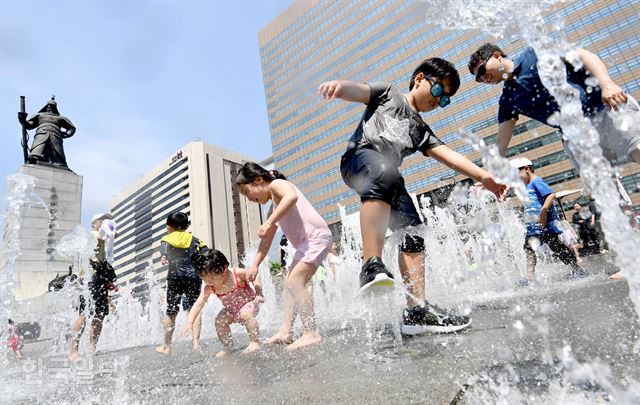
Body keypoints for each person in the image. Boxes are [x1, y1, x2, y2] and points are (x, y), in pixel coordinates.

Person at [318, 57, 507, 335]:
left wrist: (483, 177)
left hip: (388, 178)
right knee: (384, 170)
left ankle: (417, 311)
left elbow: (449, 157)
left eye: (445, 100)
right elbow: (358, 90)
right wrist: (339, 87)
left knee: (414, 231)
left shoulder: (421, 130)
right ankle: (371, 264)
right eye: (438, 91)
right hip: (358, 159)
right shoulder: (388, 94)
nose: (438, 101)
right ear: (419, 79)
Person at [468, 43, 640, 164]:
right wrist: (488, 176)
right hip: (576, 137)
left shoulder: (534, 52)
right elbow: (501, 143)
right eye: (479, 78)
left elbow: (583, 55)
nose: (484, 78)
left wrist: (607, 85)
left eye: (482, 70)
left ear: (497, 56)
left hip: (605, 110)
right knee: (607, 198)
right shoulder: (508, 100)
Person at [235, 162, 333, 350]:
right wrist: (255, 264)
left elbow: (292, 196)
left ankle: (310, 332)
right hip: (308, 242)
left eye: (247, 193)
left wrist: (269, 221)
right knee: (290, 284)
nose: (248, 199)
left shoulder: (276, 184)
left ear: (258, 180)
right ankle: (285, 330)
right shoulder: (273, 208)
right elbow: (267, 241)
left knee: (294, 283)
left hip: (315, 238)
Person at [510, 157, 587, 286]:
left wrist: (543, 211)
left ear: (527, 169)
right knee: (531, 248)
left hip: (544, 224)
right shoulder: (527, 185)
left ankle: (578, 268)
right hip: (534, 227)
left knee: (555, 248)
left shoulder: (536, 181)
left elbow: (551, 195)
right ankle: (530, 276)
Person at [180, 247, 263, 357]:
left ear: (224, 269)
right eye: (204, 279)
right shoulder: (209, 288)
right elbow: (198, 304)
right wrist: (189, 322)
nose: (209, 282)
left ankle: (254, 341)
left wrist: (258, 293)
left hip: (249, 304)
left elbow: (254, 276)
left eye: (212, 278)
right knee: (219, 321)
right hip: (232, 310)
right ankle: (228, 346)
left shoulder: (237, 274)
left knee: (245, 314)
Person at [68, 213, 117, 361]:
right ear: (94, 224)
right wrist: (107, 232)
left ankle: (92, 347)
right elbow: (103, 236)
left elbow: (103, 256)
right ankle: (73, 350)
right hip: (90, 280)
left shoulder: (104, 237)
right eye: (102, 221)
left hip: (99, 278)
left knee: (99, 315)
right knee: (84, 314)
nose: (105, 224)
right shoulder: (92, 234)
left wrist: (108, 279)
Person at [155, 212, 206, 355]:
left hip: (175, 277)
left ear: (169, 227)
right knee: (194, 309)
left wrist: (164, 258)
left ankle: (167, 346)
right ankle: (196, 343)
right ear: (186, 225)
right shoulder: (194, 239)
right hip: (193, 277)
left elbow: (164, 252)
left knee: (171, 312)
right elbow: (205, 252)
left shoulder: (167, 239)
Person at [17, 97, 76, 167]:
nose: (49, 107)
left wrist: (67, 134)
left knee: (57, 152)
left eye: (52, 106)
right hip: (41, 133)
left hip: (55, 134)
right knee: (38, 147)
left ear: (55, 107)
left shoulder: (60, 118)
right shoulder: (40, 115)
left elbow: (71, 128)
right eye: (48, 105)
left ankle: (59, 163)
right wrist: (22, 119)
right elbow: (28, 125)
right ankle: (35, 158)